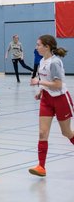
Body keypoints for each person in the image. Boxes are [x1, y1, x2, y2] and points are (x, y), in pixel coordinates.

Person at [29, 34, 74, 177]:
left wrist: (39, 83)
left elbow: (58, 85)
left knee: (66, 132)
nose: (36, 47)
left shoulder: (54, 62)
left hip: (61, 99)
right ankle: (41, 167)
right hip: (47, 99)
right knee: (42, 133)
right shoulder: (42, 61)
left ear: (47, 47)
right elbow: (47, 80)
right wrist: (41, 91)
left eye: (38, 45)